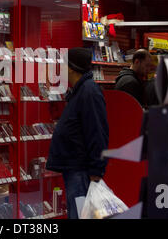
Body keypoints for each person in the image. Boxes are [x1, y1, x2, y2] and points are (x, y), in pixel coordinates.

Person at [46, 47, 109, 219]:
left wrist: (97, 169)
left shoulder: (89, 92)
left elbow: (97, 132)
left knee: (81, 214)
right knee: (80, 213)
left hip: (81, 170)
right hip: (75, 168)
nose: (61, 69)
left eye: (64, 65)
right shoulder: (81, 90)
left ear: (72, 68)